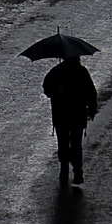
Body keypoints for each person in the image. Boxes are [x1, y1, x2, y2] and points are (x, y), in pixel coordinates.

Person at [42, 56, 97, 184]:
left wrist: (57, 91)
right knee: (76, 144)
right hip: (78, 115)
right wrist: (92, 108)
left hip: (61, 115)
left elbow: (47, 88)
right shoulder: (82, 72)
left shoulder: (56, 71)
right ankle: (77, 172)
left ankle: (64, 170)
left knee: (63, 143)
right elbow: (91, 92)